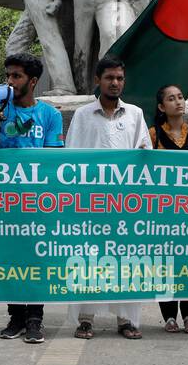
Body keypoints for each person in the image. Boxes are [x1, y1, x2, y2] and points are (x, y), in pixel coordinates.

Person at [65, 56, 151, 339]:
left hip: (127, 204)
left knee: (126, 258)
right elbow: (71, 159)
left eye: (119, 78)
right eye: (109, 78)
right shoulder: (83, 115)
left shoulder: (136, 115)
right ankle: (85, 318)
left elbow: (145, 156)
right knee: (89, 256)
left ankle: (126, 320)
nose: (115, 83)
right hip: (91, 203)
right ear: (97, 81)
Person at [0, 52, 64, 344]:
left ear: (33, 81)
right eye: (7, 76)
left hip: (37, 203)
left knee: (36, 260)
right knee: (10, 260)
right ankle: (15, 315)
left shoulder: (50, 115)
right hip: (5, 201)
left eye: (16, 76)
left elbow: (53, 159)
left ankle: (34, 318)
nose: (9, 81)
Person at [149, 84, 188, 333]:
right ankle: (169, 315)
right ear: (161, 106)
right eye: (171, 98)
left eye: (180, 97)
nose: (178, 102)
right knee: (165, 260)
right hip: (162, 212)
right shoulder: (153, 135)